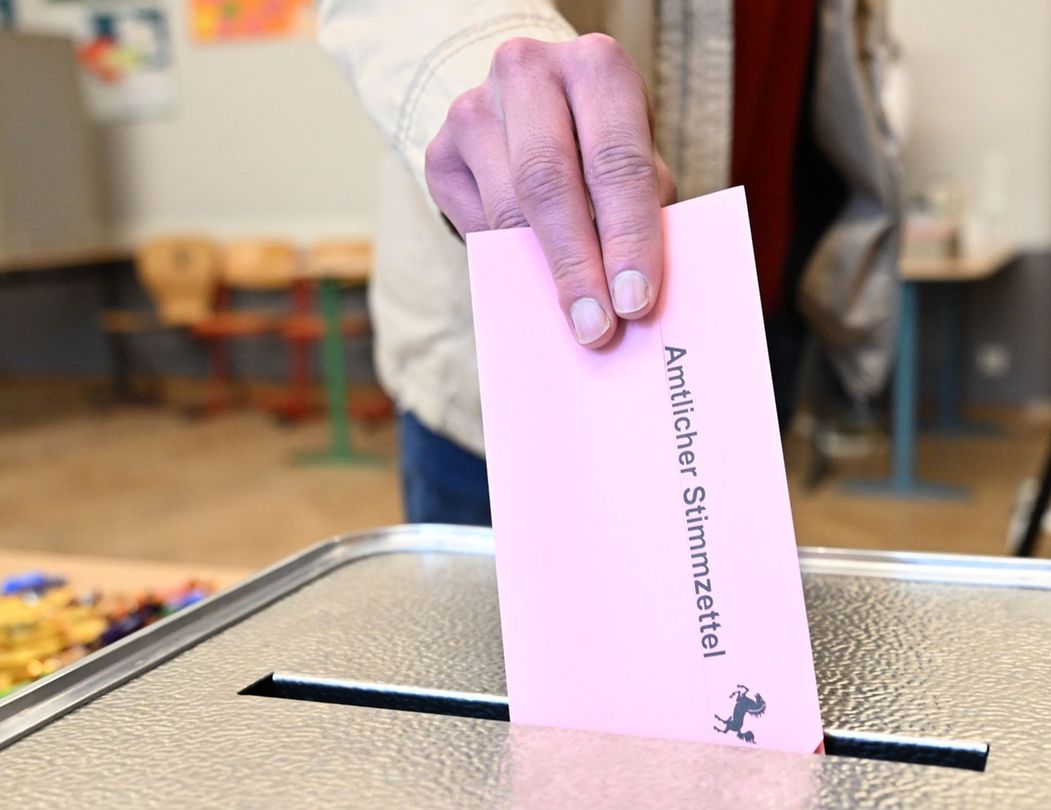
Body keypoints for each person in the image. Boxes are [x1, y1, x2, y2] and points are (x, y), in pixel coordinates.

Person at [318, 0, 901, 525]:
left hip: (754, 319)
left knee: (712, 623)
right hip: (512, 370)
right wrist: (513, 97)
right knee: (495, 640)